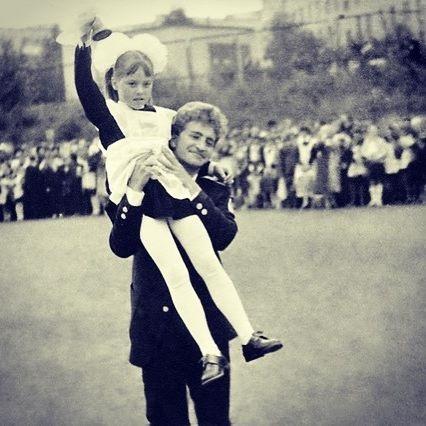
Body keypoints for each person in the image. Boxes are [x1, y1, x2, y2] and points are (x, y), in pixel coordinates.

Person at [73, 21, 282, 385]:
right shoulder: (111, 116)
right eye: (131, 83)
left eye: (146, 83)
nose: (140, 91)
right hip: (142, 203)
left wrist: (212, 164)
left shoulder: (167, 117)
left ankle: (249, 337)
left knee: (210, 266)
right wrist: (83, 45)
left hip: (173, 193)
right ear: (115, 83)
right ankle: (210, 352)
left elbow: (183, 148)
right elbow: (85, 89)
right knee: (177, 275)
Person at [106, 103, 281, 424]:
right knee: (165, 421)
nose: (201, 146)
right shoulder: (135, 179)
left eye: (209, 142)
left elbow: (224, 236)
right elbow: (121, 246)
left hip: (209, 326)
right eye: (195, 136)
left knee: (215, 420)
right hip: (157, 331)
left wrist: (191, 187)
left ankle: (245, 341)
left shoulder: (215, 187)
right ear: (172, 138)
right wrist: (134, 192)